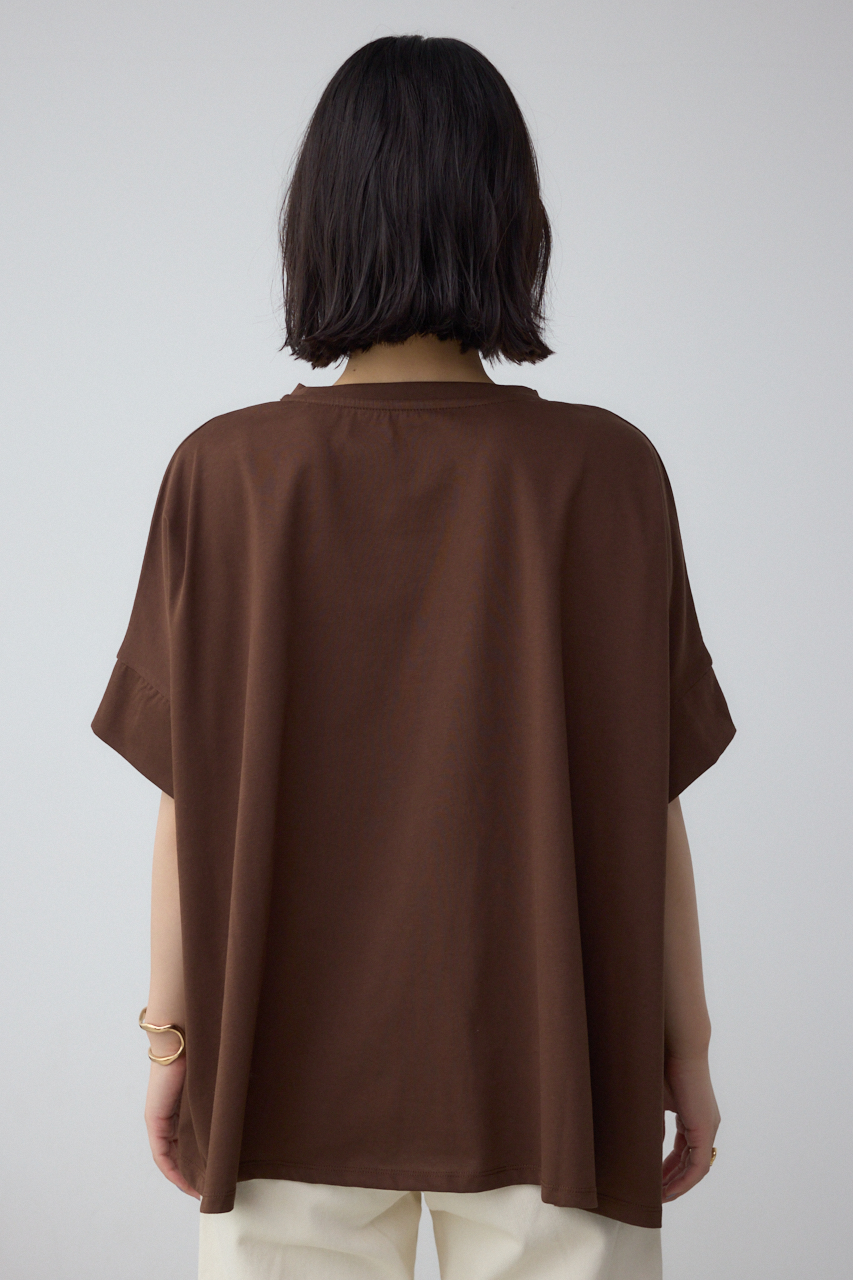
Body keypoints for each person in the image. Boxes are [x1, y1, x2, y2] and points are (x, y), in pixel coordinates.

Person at [91, 34, 735, 1280]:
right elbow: (647, 799)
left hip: (278, 1087)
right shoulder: (607, 473)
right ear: (512, 222)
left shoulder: (224, 476)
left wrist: (171, 1040)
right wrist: (687, 1049)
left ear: (319, 224)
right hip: (560, 1092)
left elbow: (187, 803)